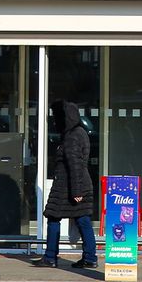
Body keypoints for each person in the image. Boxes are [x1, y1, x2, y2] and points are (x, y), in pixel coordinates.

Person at [33, 100, 97, 269]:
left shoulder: (71, 137)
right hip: (76, 184)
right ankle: (90, 257)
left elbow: (75, 165)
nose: (55, 122)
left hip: (68, 186)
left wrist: (76, 191)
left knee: (54, 218)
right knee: (83, 220)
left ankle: (50, 257)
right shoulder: (79, 133)